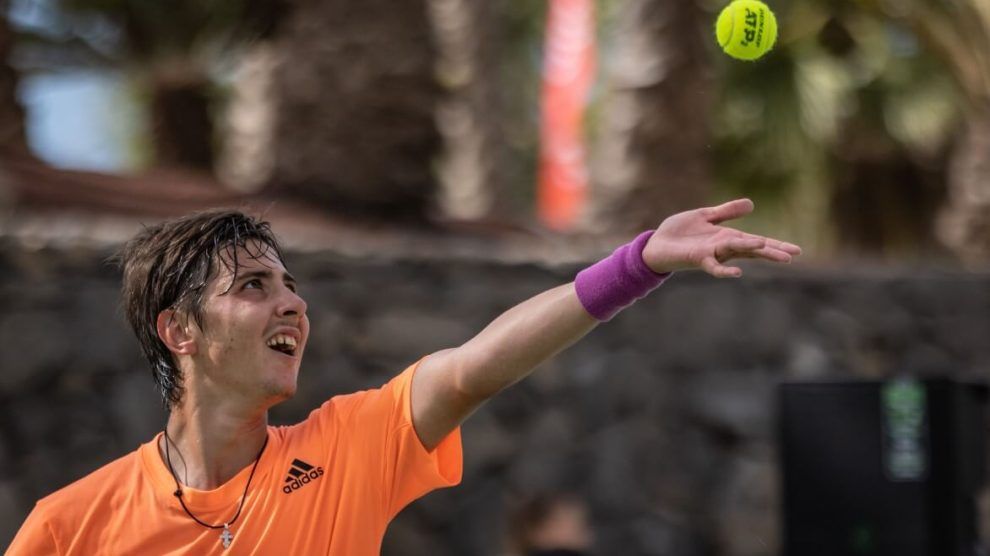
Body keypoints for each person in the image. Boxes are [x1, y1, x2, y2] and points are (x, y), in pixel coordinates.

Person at [7, 198, 800, 554]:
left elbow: (473, 368)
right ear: (179, 331)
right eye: (253, 286)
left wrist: (639, 263)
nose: (293, 305)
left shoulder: (346, 447)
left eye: (290, 286)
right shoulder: (69, 527)